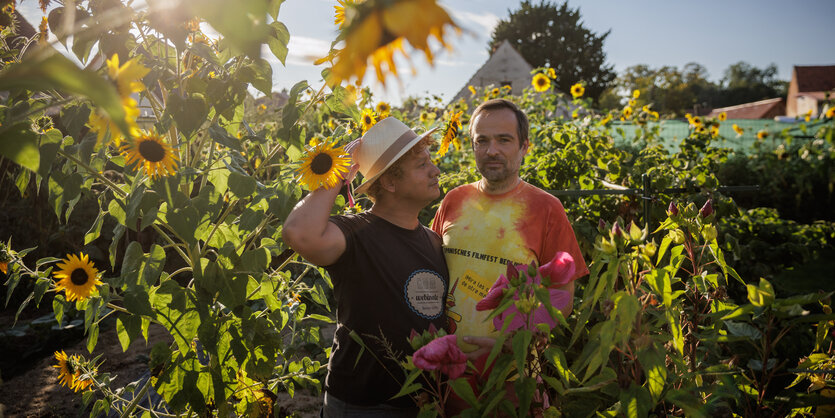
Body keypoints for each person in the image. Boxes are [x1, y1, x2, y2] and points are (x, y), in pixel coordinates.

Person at [283, 117, 449, 417]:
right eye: (422, 164)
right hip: (363, 405)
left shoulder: (434, 242)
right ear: (389, 182)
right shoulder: (356, 234)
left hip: (425, 402)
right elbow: (299, 232)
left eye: (431, 162)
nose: (435, 170)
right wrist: (338, 172)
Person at [431, 98, 589, 372]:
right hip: (446, 371)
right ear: (472, 146)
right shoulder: (454, 200)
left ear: (524, 146)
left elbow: (562, 298)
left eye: (504, 140)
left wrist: (510, 343)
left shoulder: (546, 208)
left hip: (513, 371)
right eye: (482, 141)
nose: (491, 151)